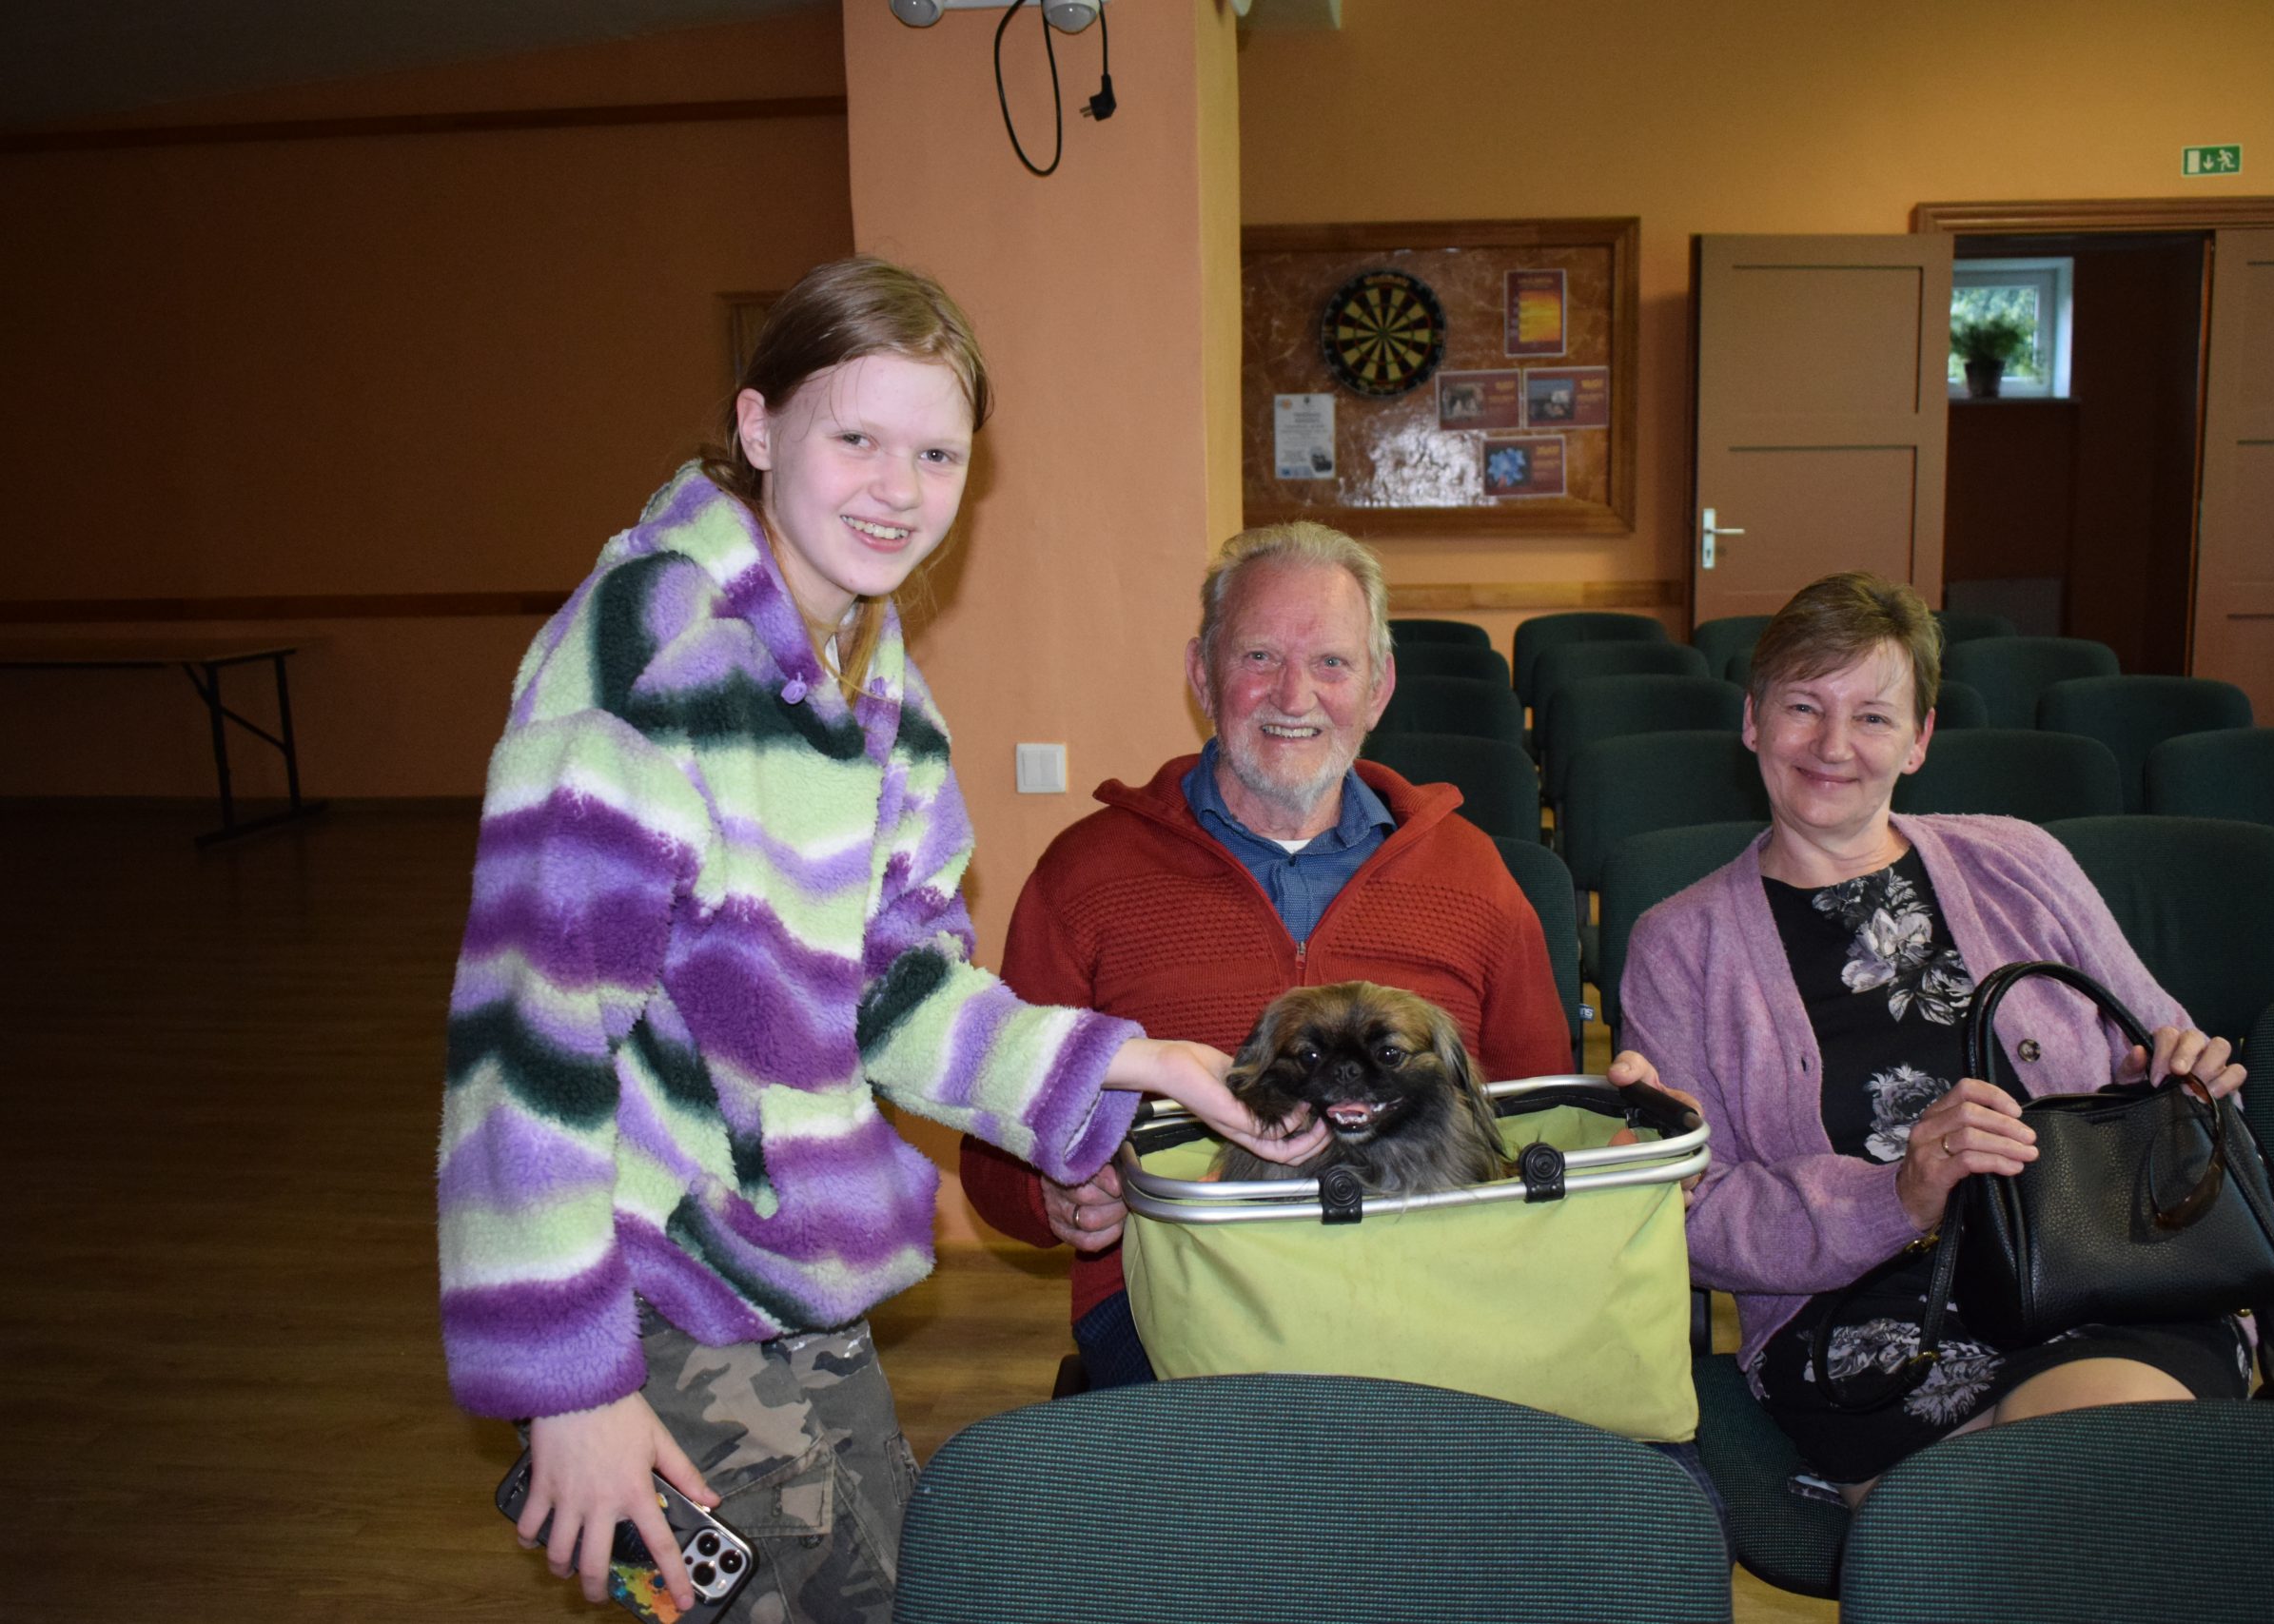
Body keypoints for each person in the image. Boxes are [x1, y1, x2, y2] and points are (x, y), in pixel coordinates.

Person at [435, 256, 1320, 1622]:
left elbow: (897, 991)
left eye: (936, 453)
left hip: (799, 1276)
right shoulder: (647, 648)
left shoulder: (879, 684)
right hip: (652, 1289)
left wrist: (1132, 1062)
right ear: (758, 426)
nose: (897, 489)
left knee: (906, 1586)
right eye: (856, 437)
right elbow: (527, 1034)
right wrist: (570, 1385)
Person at [1614, 571, 2252, 1504]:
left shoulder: (2021, 861)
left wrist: (2179, 1073)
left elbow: (2159, 1044)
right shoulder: (1678, 945)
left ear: (1918, 741)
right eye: (1803, 707)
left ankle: (1929, 1524)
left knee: (2076, 1469)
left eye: (1873, 717)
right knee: (2072, 1501)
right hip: (1858, 1321)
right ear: (1752, 720)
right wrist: (1898, 1197)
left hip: (2096, 1275)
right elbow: (1694, 1217)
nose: (1833, 745)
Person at [957, 520, 1582, 1389]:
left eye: (1331, 662)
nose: (1294, 694)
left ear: (1377, 686)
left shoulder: (1474, 875)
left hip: (1435, 1284)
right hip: (1181, 1298)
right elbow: (994, 1144)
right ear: (1202, 674)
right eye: (1259, 656)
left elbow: (1546, 1119)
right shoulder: (1084, 875)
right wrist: (1055, 1192)